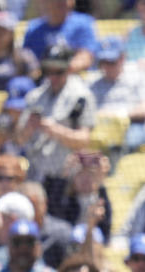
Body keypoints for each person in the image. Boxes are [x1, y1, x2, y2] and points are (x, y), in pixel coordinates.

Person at [14, 43, 96, 203]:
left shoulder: (80, 96)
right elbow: (18, 140)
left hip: (66, 179)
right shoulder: (35, 96)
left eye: (58, 71)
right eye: (48, 71)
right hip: (36, 175)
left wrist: (54, 130)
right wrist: (28, 128)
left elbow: (84, 140)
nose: (53, 77)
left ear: (69, 68)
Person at [89, 37, 145, 153]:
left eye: (111, 61)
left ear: (122, 58)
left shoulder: (138, 74)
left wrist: (120, 115)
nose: (106, 67)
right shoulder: (92, 81)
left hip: (132, 124)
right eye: (103, 62)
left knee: (132, 141)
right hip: (102, 126)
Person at [22, 0, 98, 73]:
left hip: (74, 77)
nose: (64, 3)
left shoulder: (83, 23)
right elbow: (26, 57)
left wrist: (58, 71)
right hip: (43, 77)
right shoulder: (34, 28)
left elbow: (85, 57)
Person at [0, 11, 38, 92]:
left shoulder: (24, 57)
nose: (0, 34)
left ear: (12, 33)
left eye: (4, 30)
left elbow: (36, 75)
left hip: (15, 101)